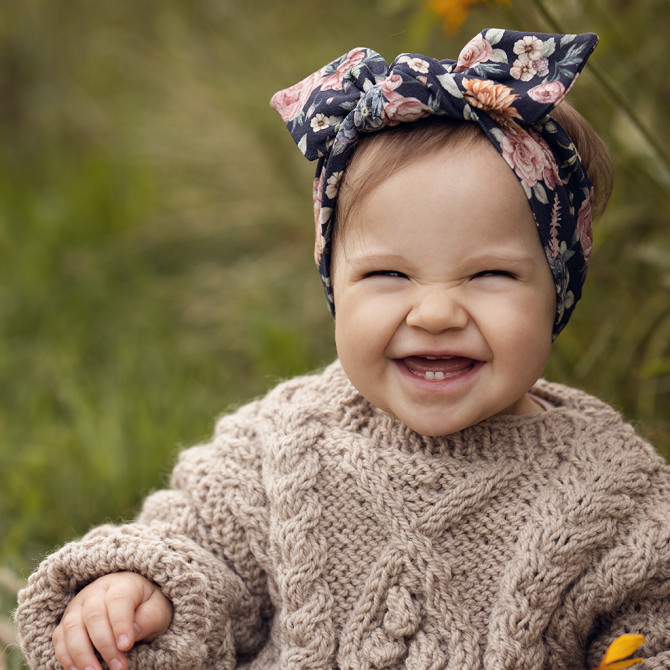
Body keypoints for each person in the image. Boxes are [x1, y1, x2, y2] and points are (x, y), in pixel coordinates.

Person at [15, 29, 670, 670]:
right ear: (336, 286)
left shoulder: (613, 491)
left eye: (489, 275)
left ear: (557, 288)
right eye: (388, 275)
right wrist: (142, 591)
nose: (436, 313)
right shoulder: (281, 444)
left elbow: (653, 625)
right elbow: (196, 545)